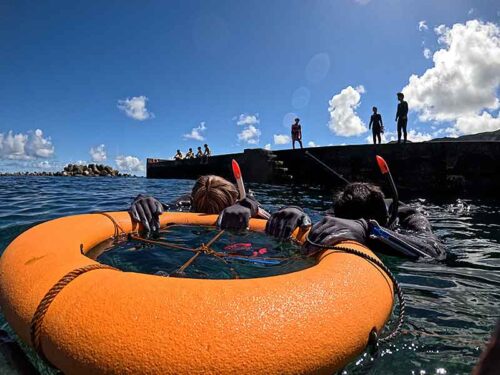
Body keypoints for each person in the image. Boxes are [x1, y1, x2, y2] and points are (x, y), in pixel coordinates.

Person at [266, 182, 446, 260]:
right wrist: (295, 212)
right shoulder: (342, 210)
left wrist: (368, 230)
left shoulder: (410, 216)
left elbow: (434, 250)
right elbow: (319, 220)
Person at [129, 175, 262, 236]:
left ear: (193, 200)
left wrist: (145, 200)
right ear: (235, 200)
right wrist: (249, 204)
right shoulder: (243, 206)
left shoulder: (184, 205)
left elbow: (164, 208)